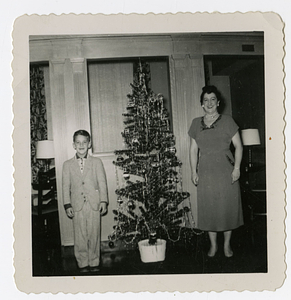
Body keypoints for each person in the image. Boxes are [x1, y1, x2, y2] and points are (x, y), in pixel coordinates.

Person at [188, 85, 243, 258]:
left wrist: (237, 168)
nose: (209, 103)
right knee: (210, 209)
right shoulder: (196, 123)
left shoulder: (228, 121)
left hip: (226, 170)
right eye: (206, 100)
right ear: (202, 104)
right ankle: (213, 245)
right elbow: (192, 150)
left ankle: (226, 245)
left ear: (218, 102)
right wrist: (193, 171)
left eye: (213, 99)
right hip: (206, 171)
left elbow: (239, 146)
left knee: (227, 208)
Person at [62, 130, 108, 272]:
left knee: (94, 233)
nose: (81, 145)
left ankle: (94, 261)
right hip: (77, 205)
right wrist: (67, 204)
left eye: (84, 142)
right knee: (80, 235)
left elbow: (102, 183)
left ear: (89, 144)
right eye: (78, 142)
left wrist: (103, 201)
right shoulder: (67, 164)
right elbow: (65, 186)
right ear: (73, 145)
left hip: (94, 204)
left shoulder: (96, 162)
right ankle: (82, 262)